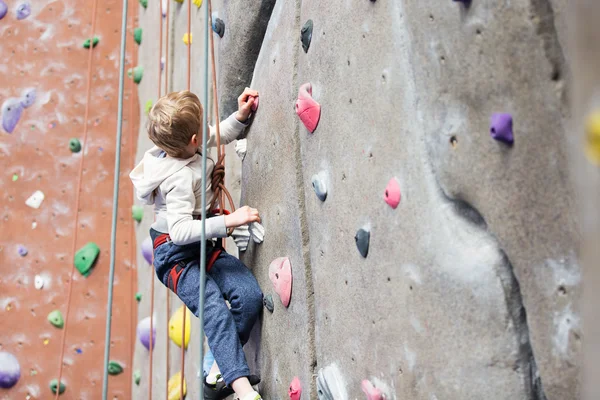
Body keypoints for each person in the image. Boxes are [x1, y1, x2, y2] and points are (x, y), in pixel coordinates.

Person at [130, 89, 263, 400]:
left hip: (200, 244)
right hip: (176, 257)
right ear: (191, 141)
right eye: (201, 128)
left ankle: (215, 368)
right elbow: (178, 232)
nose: (206, 132)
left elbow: (216, 134)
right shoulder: (175, 179)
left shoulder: (183, 147)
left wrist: (240, 117)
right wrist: (229, 221)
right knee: (214, 305)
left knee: (248, 295)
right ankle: (243, 389)